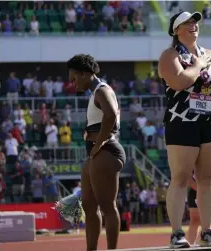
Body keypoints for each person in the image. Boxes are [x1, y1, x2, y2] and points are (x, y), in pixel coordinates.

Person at [158, 11, 211, 248]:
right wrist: (197, 66)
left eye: (194, 22)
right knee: (180, 178)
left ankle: (208, 231)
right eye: (186, 23)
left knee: (208, 179)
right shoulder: (169, 55)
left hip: (209, 120)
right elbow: (178, 81)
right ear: (176, 30)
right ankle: (177, 233)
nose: (193, 25)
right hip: (181, 120)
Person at [67, 54, 126, 250]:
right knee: (88, 205)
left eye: (74, 78)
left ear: (85, 74)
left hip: (106, 151)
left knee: (107, 206)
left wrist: (99, 143)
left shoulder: (102, 90)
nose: (73, 84)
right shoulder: (95, 93)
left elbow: (109, 115)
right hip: (96, 151)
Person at [187, 162, 211, 245]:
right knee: (195, 220)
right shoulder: (192, 158)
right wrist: (200, 191)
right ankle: (191, 244)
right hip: (195, 191)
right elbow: (188, 178)